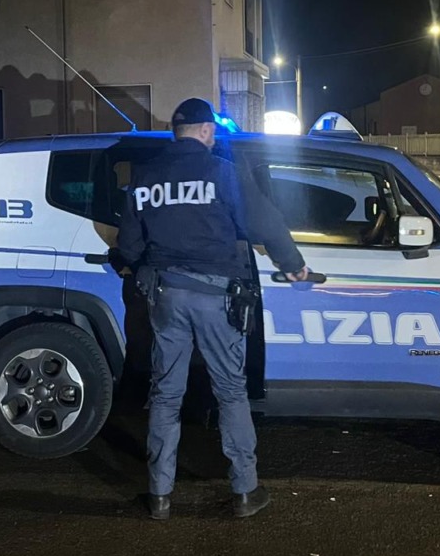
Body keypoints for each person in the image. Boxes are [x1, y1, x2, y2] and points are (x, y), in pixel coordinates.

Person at [116, 98, 310, 521]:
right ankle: (244, 491)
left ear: (176, 131)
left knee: (166, 394)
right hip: (216, 296)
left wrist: (125, 264)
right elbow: (266, 223)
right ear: (206, 131)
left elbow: (128, 246)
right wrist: (293, 266)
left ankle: (159, 496)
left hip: (166, 296)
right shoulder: (222, 172)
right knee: (230, 391)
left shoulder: (146, 178)